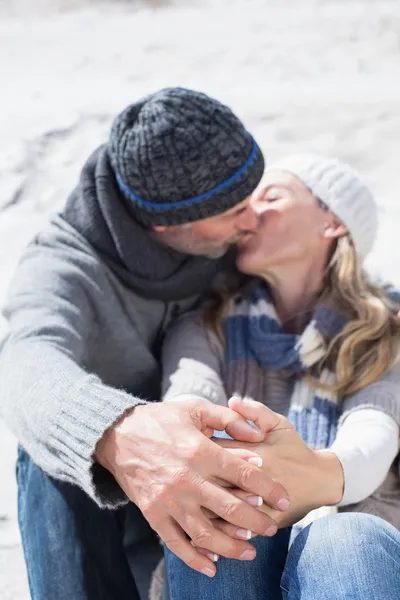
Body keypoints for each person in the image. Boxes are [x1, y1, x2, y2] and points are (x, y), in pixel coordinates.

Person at [0, 87, 293, 600]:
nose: (252, 222)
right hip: (112, 512)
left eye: (253, 197)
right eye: (231, 212)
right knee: (47, 447)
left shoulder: (233, 242)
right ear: (164, 224)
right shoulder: (62, 266)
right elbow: (24, 358)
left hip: (234, 483)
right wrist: (119, 432)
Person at [161, 154, 400, 599]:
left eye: (271, 197)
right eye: (244, 204)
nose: (249, 214)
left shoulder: (386, 329)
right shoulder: (203, 328)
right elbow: (182, 420)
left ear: (332, 223)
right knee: (230, 517)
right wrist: (258, 477)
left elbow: (373, 436)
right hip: (235, 546)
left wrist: (312, 474)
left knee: (345, 538)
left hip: (357, 560)